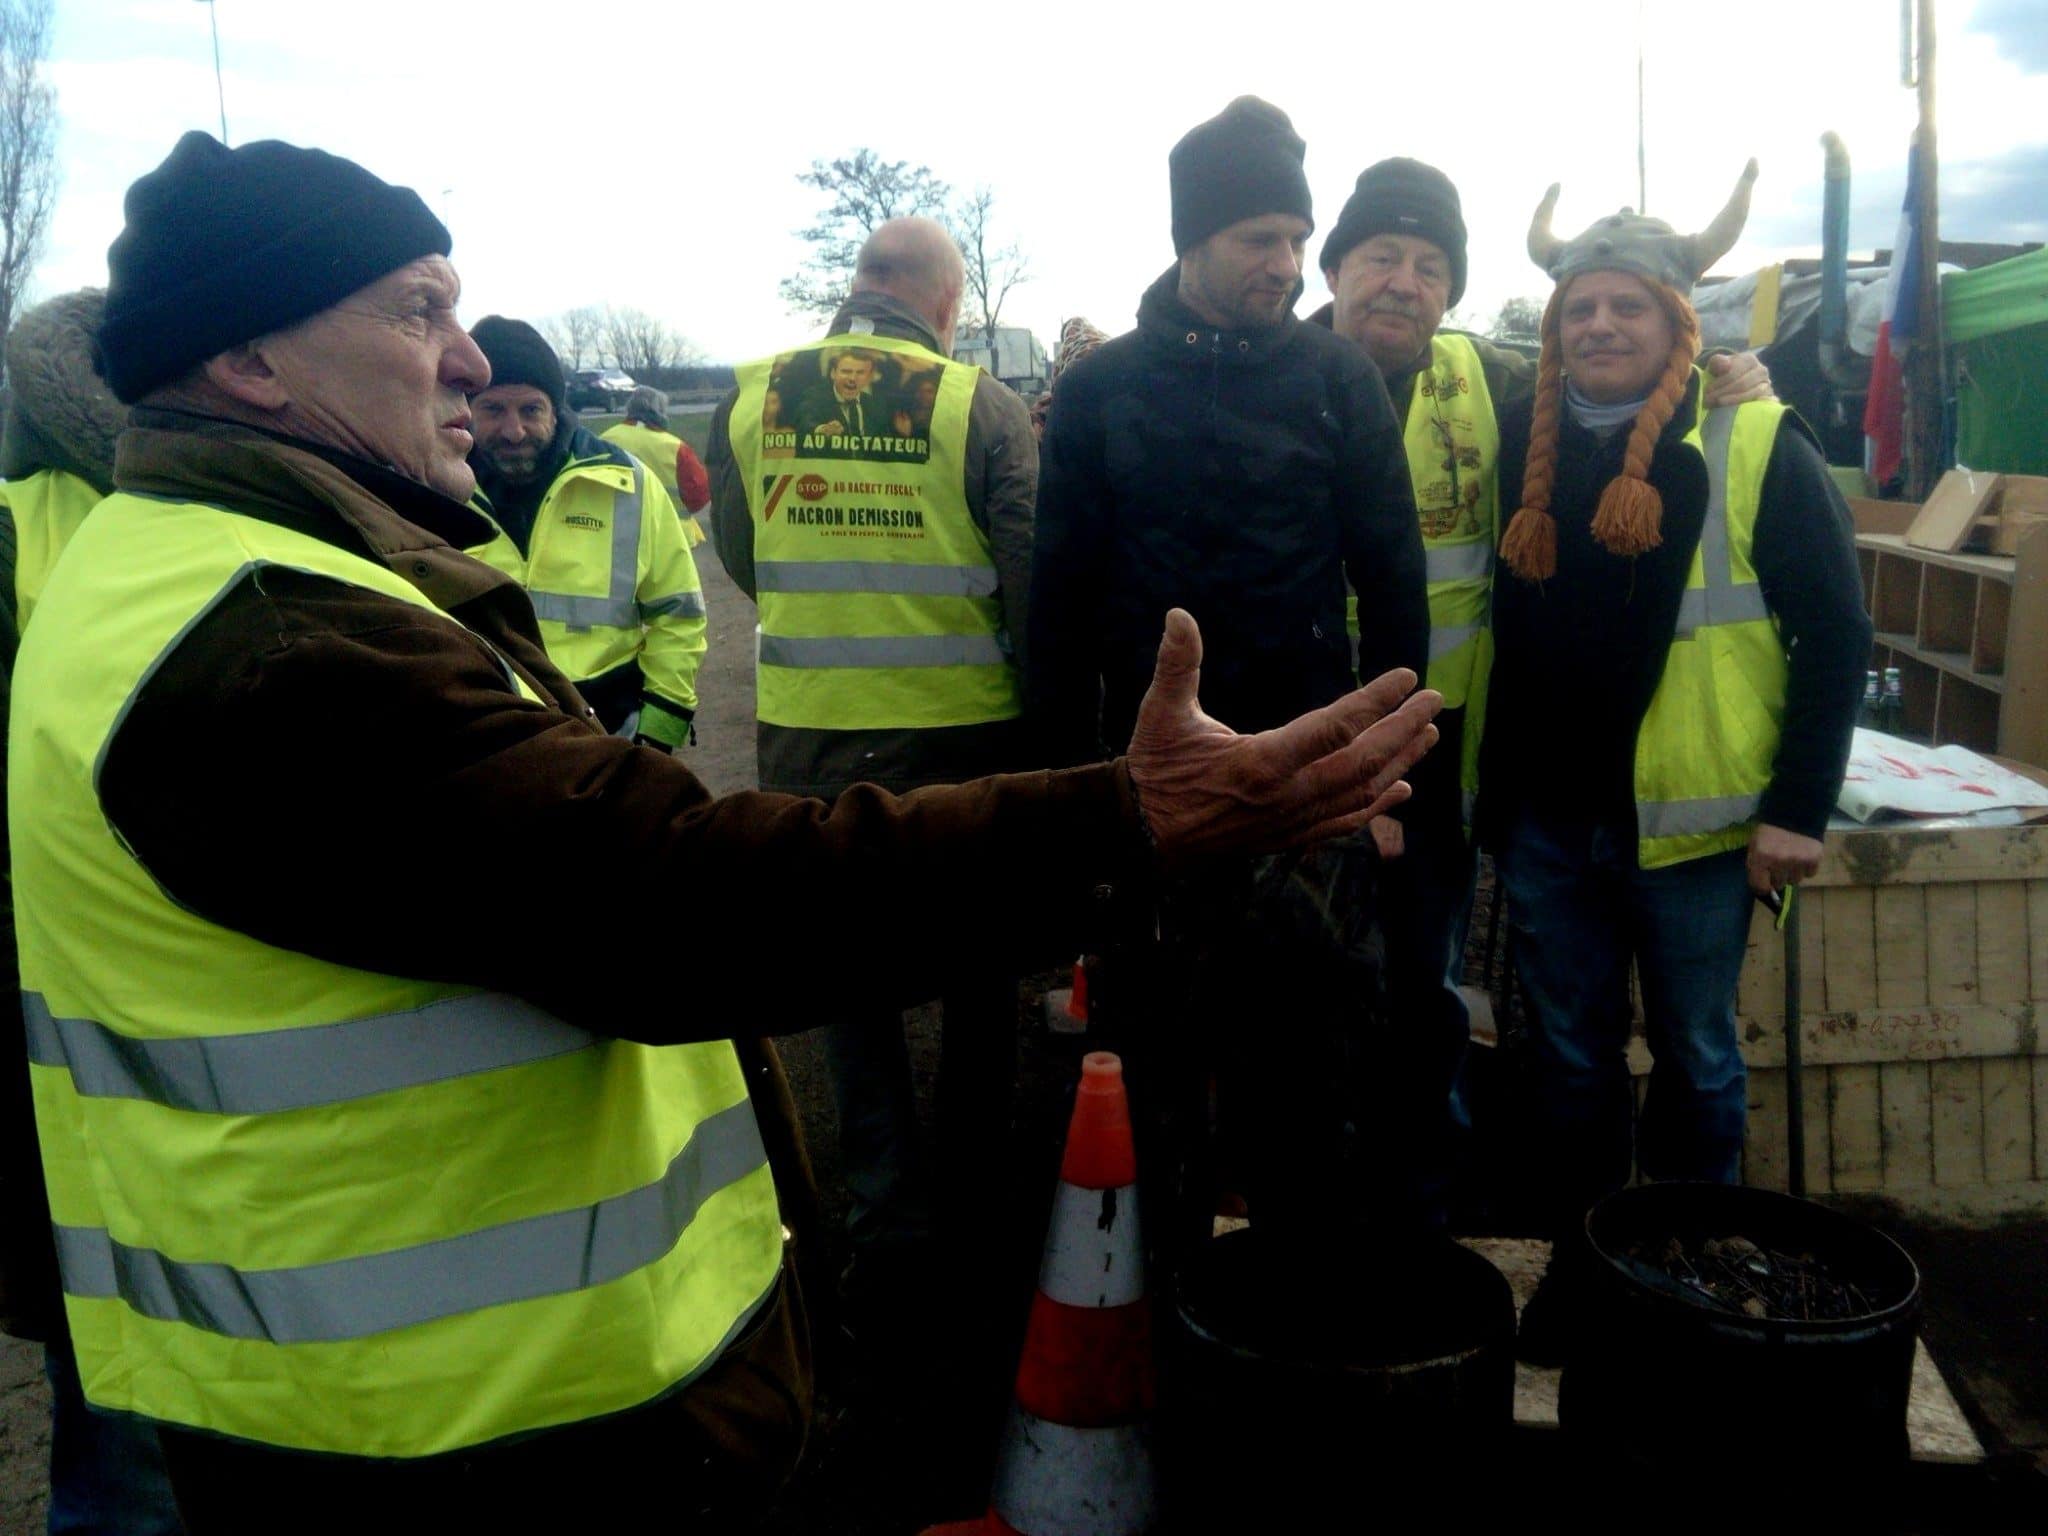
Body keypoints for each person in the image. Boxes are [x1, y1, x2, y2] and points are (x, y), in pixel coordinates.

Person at [12, 131, 1441, 1531]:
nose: (470, 357)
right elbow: (678, 901)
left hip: (375, 1377)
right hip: (424, 1427)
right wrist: (1127, 811)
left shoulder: (223, 567)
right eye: (420, 310)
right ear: (248, 363)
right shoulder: (269, 642)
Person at [1305, 158, 1776, 1228]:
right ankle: (1306, 1204)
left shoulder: (1487, 389)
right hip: (1296, 752)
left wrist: (1731, 380)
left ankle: (1460, 1209)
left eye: (1429, 264)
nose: (1401, 281)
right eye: (1380, 255)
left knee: (1436, 991)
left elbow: (1620, 387)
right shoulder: (1262, 375)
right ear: (1333, 267)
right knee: (1302, 989)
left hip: (1444, 757)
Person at [1028, 97, 1431, 1252]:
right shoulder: (1105, 391)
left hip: (1306, 791)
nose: (1289, 265)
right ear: (1191, 239)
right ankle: (1155, 1292)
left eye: (1298, 241)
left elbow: (1393, 591)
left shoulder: (1334, 378)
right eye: (1263, 238)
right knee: (1151, 1062)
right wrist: (1065, 795)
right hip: (1150, 794)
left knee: (1315, 1065)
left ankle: (1301, 1296)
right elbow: (1056, 603)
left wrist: (1387, 784)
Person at [1480, 173, 1869, 1361]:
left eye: (1625, 308)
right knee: (1567, 1061)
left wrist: (1796, 810)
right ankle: (1589, 1268)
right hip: (1551, 823)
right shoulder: (1515, 443)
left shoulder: (1753, 437)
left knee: (1697, 1058)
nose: (1597, 325)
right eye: (1579, 308)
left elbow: (1835, 635)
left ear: (1677, 325)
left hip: (1695, 835)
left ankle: (1689, 1277)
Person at [707, 216, 1039, 1337]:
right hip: (962, 745)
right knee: (976, 975)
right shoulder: (975, 405)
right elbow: (1025, 577)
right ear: (945, 306)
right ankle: (976, 1200)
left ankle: (884, 1226)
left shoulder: (751, 399)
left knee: (851, 987)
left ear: (858, 290)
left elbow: (745, 564)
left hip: (805, 740)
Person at [0, 289, 184, 1532]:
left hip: (237, 1012)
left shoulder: (277, 504)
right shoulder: (21, 523)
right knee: (126, 1410)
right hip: (70, 1021)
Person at [464, 316, 707, 750]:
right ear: (466, 410)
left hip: (611, 741)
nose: (514, 430)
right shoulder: (429, 490)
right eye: (493, 409)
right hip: (479, 745)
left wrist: (658, 740)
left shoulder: (628, 483)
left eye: (531, 410)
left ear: (556, 410)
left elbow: (679, 617)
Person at [601, 385, 712, 546]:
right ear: (660, 412)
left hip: (615, 535)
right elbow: (699, 496)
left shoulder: (603, 441)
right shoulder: (676, 448)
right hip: (671, 539)